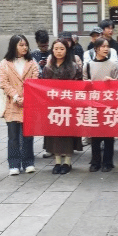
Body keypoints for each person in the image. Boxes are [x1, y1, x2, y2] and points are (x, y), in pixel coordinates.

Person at [0, 35, 40, 176]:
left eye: (26, 45)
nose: (24, 48)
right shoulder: (4, 63)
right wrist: (16, 97)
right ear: (13, 46)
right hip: (12, 103)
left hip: (29, 103)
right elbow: (4, 83)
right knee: (13, 136)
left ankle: (28, 162)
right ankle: (14, 164)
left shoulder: (32, 63)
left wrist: (26, 97)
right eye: (21, 45)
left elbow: (35, 80)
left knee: (28, 135)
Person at [41, 38, 83, 174]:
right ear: (52, 50)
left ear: (67, 50)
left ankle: (67, 162)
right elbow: (43, 87)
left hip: (69, 106)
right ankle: (57, 162)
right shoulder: (48, 67)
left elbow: (79, 85)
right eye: (56, 49)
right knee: (55, 134)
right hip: (53, 106)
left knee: (67, 134)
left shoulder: (74, 67)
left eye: (62, 49)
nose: (58, 51)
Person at [84, 38, 118, 172]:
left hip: (109, 104)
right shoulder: (88, 66)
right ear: (96, 49)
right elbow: (83, 84)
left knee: (109, 136)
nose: (106, 49)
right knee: (95, 136)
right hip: (94, 105)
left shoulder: (113, 65)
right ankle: (95, 162)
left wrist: (112, 82)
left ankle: (108, 162)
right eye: (103, 46)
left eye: (107, 46)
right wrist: (87, 84)